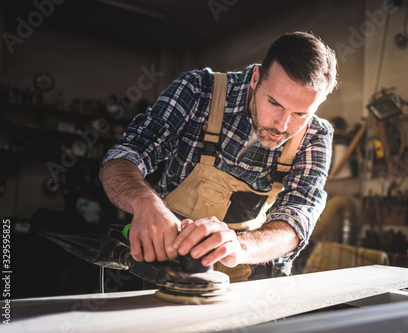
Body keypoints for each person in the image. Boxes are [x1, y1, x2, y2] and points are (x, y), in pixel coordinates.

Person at [99, 31, 338, 281]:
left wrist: (239, 246)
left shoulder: (316, 136)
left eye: (301, 114)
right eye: (274, 103)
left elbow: (297, 218)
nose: (282, 125)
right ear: (256, 78)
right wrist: (144, 203)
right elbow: (123, 157)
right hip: (165, 263)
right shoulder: (198, 90)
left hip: (245, 272)